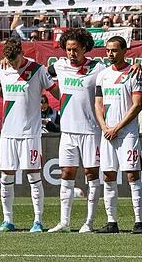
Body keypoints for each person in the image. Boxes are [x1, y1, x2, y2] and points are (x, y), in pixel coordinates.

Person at [0, 38, 58, 233]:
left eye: (15, 59)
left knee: (33, 175)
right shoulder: (2, 69)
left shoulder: (38, 70)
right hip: (8, 134)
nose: (13, 64)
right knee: (6, 175)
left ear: (22, 53)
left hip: (30, 133)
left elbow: (56, 91)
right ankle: (7, 220)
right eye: (9, 60)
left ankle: (38, 221)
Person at [47, 28, 107, 233]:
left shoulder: (97, 68)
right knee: (66, 172)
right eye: (68, 49)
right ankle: (64, 222)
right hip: (68, 131)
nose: (71, 53)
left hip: (91, 130)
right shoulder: (59, 65)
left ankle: (88, 222)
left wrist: (133, 66)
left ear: (84, 48)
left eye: (75, 49)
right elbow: (36, 71)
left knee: (91, 173)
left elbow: (117, 70)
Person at [94, 37, 142, 234]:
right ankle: (111, 222)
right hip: (107, 133)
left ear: (124, 51)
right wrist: (105, 127)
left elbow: (137, 105)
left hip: (127, 134)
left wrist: (117, 127)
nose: (110, 54)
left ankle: (139, 222)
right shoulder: (103, 75)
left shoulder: (134, 74)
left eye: (114, 50)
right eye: (108, 50)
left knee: (132, 175)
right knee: (108, 175)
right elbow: (98, 104)